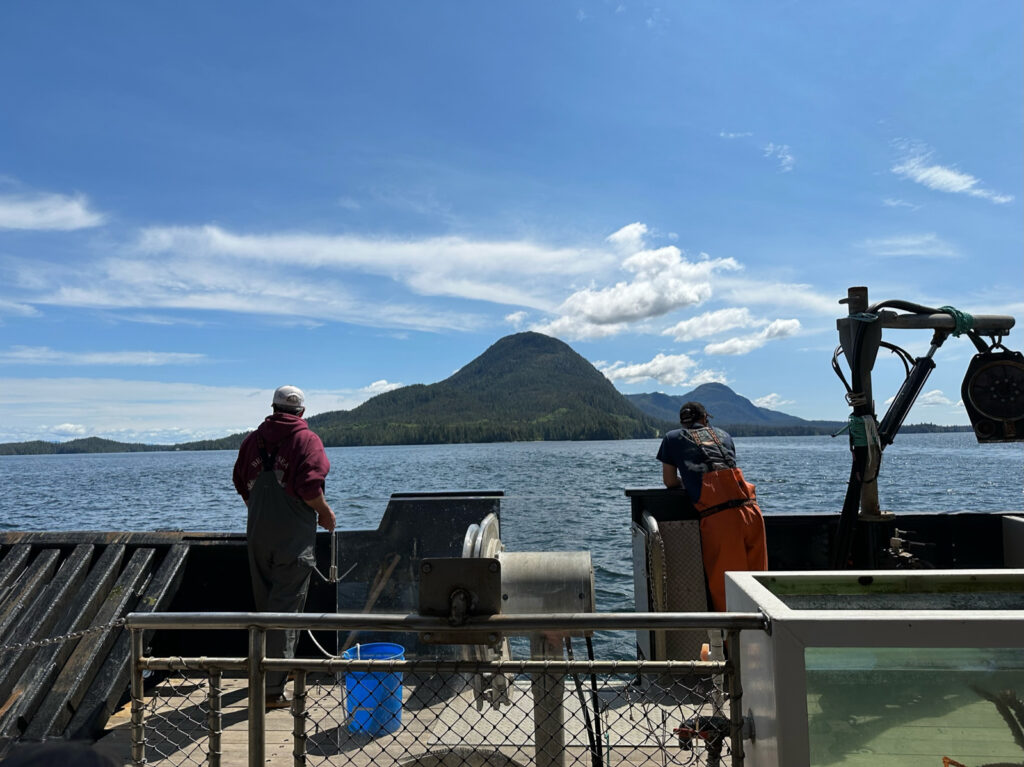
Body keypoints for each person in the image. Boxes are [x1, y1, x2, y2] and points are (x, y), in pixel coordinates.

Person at [233, 385, 336, 709]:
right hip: (293, 540)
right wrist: (325, 513)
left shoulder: (252, 440)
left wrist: (259, 507)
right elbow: (308, 487)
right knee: (285, 612)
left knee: (265, 609)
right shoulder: (307, 440)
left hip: (259, 535)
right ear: (302, 413)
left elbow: (240, 481)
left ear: (273, 407)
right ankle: (271, 692)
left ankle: (271, 672)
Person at [657, 401, 767, 611]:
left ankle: (733, 644)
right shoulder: (724, 436)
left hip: (721, 520)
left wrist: (687, 482)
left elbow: (669, 481)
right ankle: (764, 642)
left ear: (682, 422)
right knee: (759, 590)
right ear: (705, 418)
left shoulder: (672, 438)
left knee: (729, 595)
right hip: (751, 511)